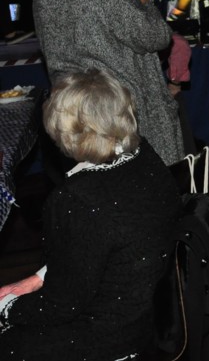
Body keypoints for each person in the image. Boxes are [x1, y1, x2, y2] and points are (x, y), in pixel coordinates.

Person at [0, 69, 182, 360]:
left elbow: (62, 305)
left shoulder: (76, 198)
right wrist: (37, 278)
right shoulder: (145, 158)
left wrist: (7, 309)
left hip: (105, 338)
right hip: (145, 321)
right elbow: (104, 246)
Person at [33, 0, 185, 165]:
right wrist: (142, 0)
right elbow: (157, 37)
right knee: (143, 184)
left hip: (75, 117)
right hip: (119, 116)